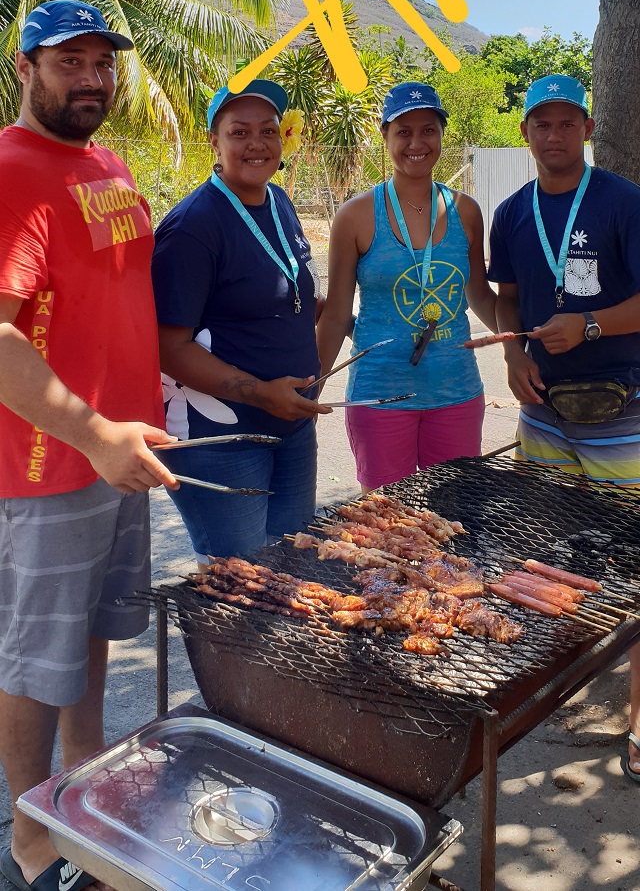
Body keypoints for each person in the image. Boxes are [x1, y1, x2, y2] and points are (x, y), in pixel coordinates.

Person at [0, 0, 178, 891]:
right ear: (25, 67)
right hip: (46, 463)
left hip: (123, 454)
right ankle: (34, 837)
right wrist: (92, 431)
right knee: (36, 660)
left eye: (103, 62)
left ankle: (86, 791)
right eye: (71, 62)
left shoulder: (107, 164)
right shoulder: (10, 169)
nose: (93, 78)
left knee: (94, 634)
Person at [488, 72, 640, 784]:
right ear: (525, 134)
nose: (553, 134)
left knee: (635, 564)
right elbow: (508, 298)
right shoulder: (513, 211)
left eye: (566, 121)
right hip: (542, 412)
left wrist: (586, 325)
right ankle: (565, 690)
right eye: (540, 123)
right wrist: (515, 353)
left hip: (622, 411)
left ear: (587, 128)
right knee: (552, 552)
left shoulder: (621, 201)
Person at [151, 79, 329, 563]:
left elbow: (291, 295)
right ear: (214, 140)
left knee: (292, 567)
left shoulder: (279, 203)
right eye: (239, 132)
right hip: (223, 439)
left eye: (268, 131)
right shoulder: (193, 226)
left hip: (290, 427)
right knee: (240, 588)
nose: (257, 144)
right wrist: (261, 392)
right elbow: (169, 348)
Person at [316, 82, 497, 490]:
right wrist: (313, 386)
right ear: (385, 136)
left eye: (428, 130)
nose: (417, 142)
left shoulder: (465, 211)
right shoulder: (356, 216)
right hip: (380, 396)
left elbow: (480, 295)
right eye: (404, 131)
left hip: (456, 392)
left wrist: (520, 347)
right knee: (389, 529)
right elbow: (337, 313)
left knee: (453, 522)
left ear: (441, 135)